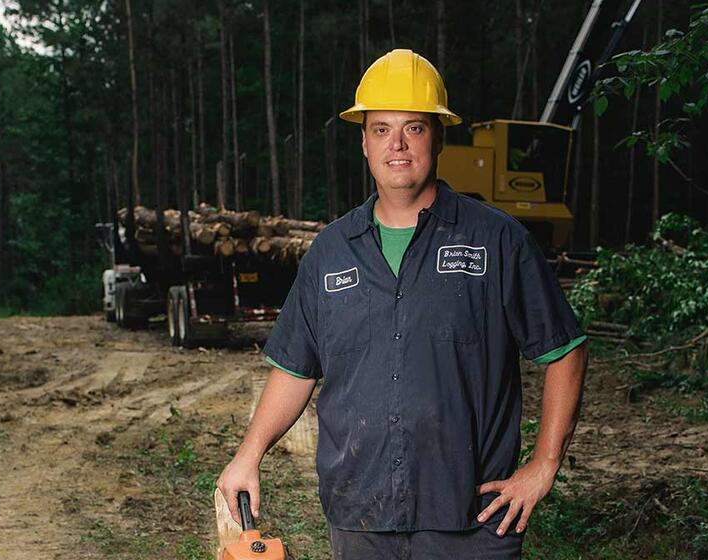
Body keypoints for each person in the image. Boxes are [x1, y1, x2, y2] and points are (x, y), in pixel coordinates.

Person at [217, 49, 588, 559]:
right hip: (360, 513)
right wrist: (248, 453)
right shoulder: (330, 251)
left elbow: (564, 350)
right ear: (364, 142)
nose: (397, 144)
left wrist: (545, 464)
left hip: (472, 518)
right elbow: (296, 368)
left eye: (413, 128)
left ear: (438, 136)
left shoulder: (497, 241)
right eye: (381, 129)